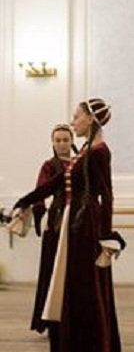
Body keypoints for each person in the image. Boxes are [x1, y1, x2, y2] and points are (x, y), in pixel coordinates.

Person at [13, 99, 123, 352]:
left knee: (85, 292)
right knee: (74, 291)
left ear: (91, 119)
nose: (73, 122)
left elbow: (107, 194)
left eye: (77, 117)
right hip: (75, 226)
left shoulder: (99, 152)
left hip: (86, 227)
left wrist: (106, 236)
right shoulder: (86, 150)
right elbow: (59, 182)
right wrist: (25, 201)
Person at [29, 124, 75, 333]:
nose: (62, 144)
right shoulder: (49, 166)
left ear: (72, 141)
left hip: (76, 223)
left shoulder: (79, 163)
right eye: (58, 140)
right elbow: (41, 191)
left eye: (65, 139)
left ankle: (73, 319)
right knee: (52, 270)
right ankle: (51, 320)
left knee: (73, 272)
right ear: (53, 143)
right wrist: (40, 217)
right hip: (56, 224)